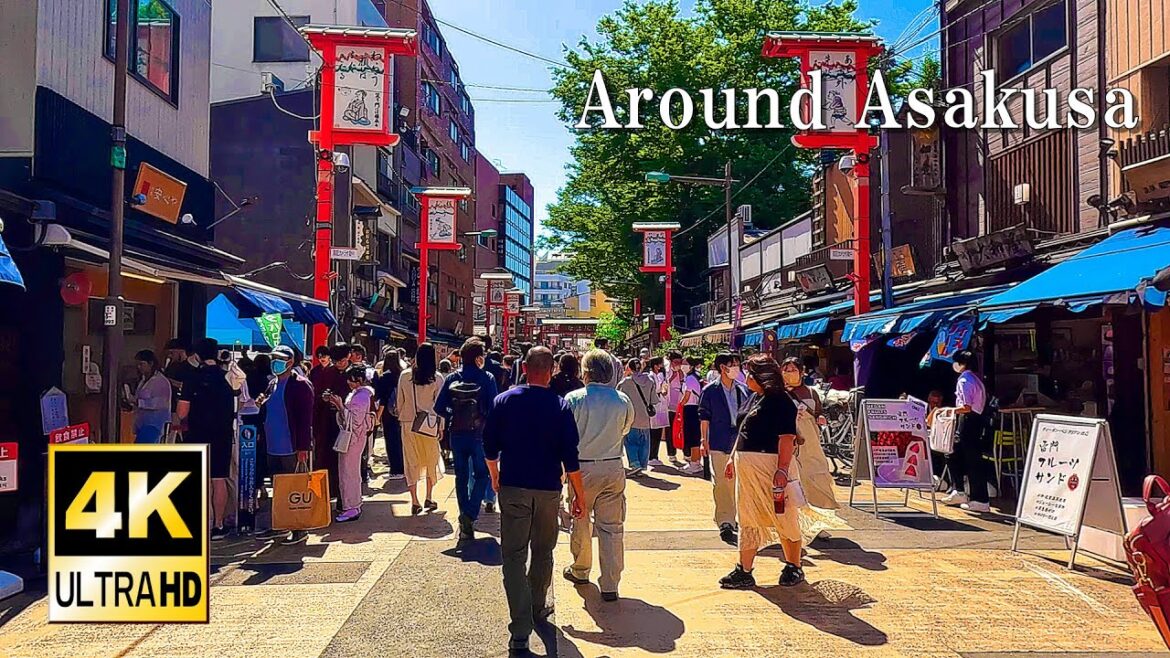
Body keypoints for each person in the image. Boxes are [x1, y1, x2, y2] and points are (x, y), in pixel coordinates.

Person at [484, 347, 586, 655]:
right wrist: (579, 494)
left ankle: (520, 630)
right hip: (548, 489)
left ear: (524, 368)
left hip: (514, 484)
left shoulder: (504, 401)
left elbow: (489, 445)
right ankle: (539, 606)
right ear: (552, 370)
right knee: (543, 550)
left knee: (513, 556)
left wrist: (494, 474)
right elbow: (572, 458)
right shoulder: (560, 406)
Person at [719, 354, 805, 589]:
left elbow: (786, 438)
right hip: (748, 470)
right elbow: (743, 430)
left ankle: (793, 565)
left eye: (750, 373)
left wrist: (782, 470)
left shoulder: (781, 401)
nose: (745, 376)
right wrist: (732, 458)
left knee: (784, 517)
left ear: (762, 377)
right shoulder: (754, 398)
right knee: (748, 518)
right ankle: (744, 569)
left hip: (771, 467)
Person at [562, 350, 635, 601]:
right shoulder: (622, 400)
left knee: (580, 519)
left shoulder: (573, 399)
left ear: (586, 372)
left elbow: (565, 436)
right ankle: (611, 582)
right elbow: (625, 428)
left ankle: (581, 569)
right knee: (612, 527)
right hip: (613, 465)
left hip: (581, 468)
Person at [435, 338, 499, 539]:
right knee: (482, 475)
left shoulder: (453, 378)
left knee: (461, 477)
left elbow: (439, 408)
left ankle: (465, 517)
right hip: (480, 434)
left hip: (457, 434)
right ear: (479, 357)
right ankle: (470, 515)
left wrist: (453, 414)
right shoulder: (487, 378)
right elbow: (493, 408)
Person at [177, 338, 238, 540]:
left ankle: (201, 524)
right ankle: (218, 525)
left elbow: (182, 412)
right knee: (218, 479)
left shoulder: (192, 378)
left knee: (201, 481)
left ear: (197, 356)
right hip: (222, 435)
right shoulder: (227, 378)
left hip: (197, 434)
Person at [779, 357, 842, 539]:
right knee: (794, 484)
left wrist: (819, 418)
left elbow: (818, 412)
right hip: (788, 443)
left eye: (793, 369)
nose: (789, 373)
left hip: (812, 443)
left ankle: (818, 523)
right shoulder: (778, 393)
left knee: (817, 479)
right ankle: (795, 523)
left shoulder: (812, 392)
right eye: (786, 369)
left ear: (801, 371)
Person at [258, 346, 315, 545]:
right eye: (273, 358)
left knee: (294, 489)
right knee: (277, 487)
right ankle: (280, 525)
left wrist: (303, 448)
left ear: (291, 362)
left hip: (291, 446)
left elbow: (305, 419)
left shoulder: (300, 385)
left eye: (280, 359)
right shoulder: (272, 384)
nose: (276, 362)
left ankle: (299, 529)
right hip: (272, 445)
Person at [699, 353, 749, 544]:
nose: (735, 368)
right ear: (722, 368)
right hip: (718, 440)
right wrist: (704, 440)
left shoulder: (743, 390)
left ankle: (736, 517)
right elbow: (704, 416)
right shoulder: (710, 390)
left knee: (737, 482)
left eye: (737, 364)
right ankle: (725, 520)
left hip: (739, 443)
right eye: (732, 365)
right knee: (721, 481)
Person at [397, 343, 445, 514]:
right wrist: (441, 426)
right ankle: (429, 497)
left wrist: (403, 416)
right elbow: (440, 405)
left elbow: (399, 402)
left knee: (411, 461)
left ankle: (414, 500)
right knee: (431, 459)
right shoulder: (437, 378)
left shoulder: (404, 376)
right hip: (429, 424)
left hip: (408, 422)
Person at [942, 350, 991, 513]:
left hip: (968, 421)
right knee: (958, 454)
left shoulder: (964, 380)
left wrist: (948, 411)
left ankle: (979, 499)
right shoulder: (976, 380)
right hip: (975, 420)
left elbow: (966, 407)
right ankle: (961, 491)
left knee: (964, 457)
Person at [326, 366, 375, 523]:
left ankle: (352, 506)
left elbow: (354, 421)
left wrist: (340, 406)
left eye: (351, 379)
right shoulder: (359, 394)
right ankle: (351, 505)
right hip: (354, 437)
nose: (348, 382)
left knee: (349, 472)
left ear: (359, 379)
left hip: (354, 438)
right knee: (349, 472)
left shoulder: (361, 396)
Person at [311, 344, 350, 511]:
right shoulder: (327, 373)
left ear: (348, 356)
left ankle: (345, 499)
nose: (339, 364)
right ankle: (323, 499)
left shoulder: (355, 373)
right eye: (336, 361)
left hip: (348, 425)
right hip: (327, 424)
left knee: (346, 465)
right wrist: (325, 398)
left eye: (341, 360)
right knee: (325, 462)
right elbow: (317, 395)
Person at [617, 357, 658, 477]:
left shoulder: (625, 383)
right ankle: (642, 465)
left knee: (630, 442)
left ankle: (635, 464)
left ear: (629, 368)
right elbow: (654, 400)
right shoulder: (650, 381)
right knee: (644, 443)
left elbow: (619, 398)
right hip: (645, 418)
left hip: (631, 418)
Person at [375, 347, 406, 479]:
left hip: (388, 413)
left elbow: (382, 399)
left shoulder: (385, 377)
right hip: (403, 412)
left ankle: (396, 470)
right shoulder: (403, 375)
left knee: (391, 441)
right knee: (402, 441)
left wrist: (378, 416)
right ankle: (404, 468)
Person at [132, 349, 172, 444]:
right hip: (143, 423)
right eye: (137, 364)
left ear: (151, 363)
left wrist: (139, 402)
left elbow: (161, 403)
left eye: (142, 364)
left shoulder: (161, 381)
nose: (139, 367)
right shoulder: (143, 380)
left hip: (155, 424)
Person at [680, 356, 705, 474]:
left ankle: (695, 463)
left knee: (693, 436)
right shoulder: (693, 377)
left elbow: (687, 396)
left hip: (691, 408)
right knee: (691, 435)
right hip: (693, 408)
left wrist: (681, 405)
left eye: (685, 363)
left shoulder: (690, 378)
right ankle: (693, 462)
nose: (682, 365)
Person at [646, 356, 671, 467]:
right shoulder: (651, 376)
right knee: (654, 433)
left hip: (660, 405)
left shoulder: (656, 376)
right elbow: (655, 390)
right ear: (656, 365)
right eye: (660, 364)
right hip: (656, 405)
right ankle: (652, 456)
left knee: (658, 431)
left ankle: (654, 455)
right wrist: (661, 389)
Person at [665, 351, 685, 463]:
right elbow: (664, 385)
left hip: (680, 404)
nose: (678, 364)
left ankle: (685, 453)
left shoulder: (682, 372)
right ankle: (671, 453)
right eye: (676, 362)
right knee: (670, 430)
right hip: (669, 406)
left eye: (680, 362)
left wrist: (681, 377)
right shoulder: (667, 371)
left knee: (681, 429)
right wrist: (672, 376)